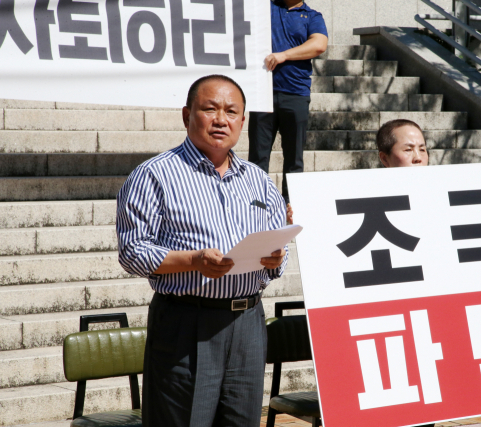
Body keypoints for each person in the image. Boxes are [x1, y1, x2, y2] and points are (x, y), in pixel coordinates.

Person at [116, 75, 288, 427]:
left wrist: (275, 258)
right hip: (187, 324)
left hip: (248, 323)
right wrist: (193, 261)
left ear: (243, 121)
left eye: (231, 111)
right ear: (187, 115)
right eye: (209, 109)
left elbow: (276, 251)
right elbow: (132, 251)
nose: (221, 119)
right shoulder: (155, 175)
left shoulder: (258, 180)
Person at [249, 0, 328, 203]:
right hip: (262, 92)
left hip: (296, 93)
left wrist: (284, 55)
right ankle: (256, 205)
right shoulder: (266, 8)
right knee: (258, 156)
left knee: (294, 157)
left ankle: (290, 206)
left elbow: (319, 44)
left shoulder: (312, 16)